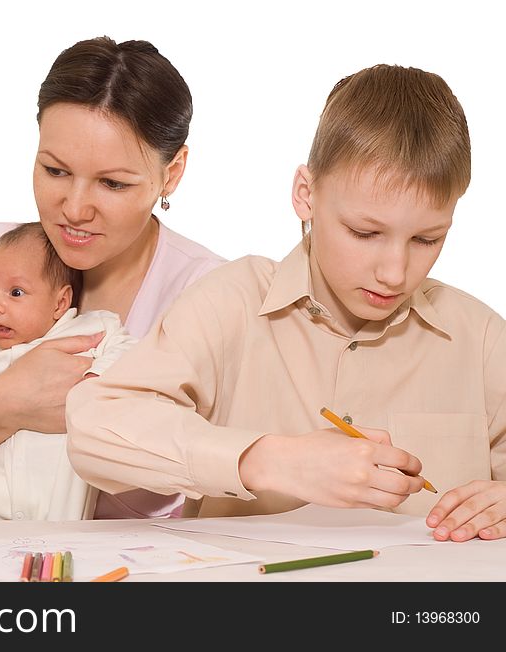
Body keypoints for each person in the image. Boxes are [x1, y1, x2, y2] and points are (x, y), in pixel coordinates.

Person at [67, 63, 506, 542]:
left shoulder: (481, 338)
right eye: (365, 232)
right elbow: (93, 426)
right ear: (306, 194)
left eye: (426, 239)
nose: (395, 273)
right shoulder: (232, 301)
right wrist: (265, 459)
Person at [0, 36, 227, 519]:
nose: (75, 209)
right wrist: (7, 400)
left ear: (172, 173)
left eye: (113, 183)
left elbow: (194, 484)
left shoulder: (205, 291)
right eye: (55, 171)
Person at [0, 222, 136, 521]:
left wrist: (95, 378)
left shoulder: (92, 329)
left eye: (15, 292)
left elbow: (129, 351)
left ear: (60, 302)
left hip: (61, 511)